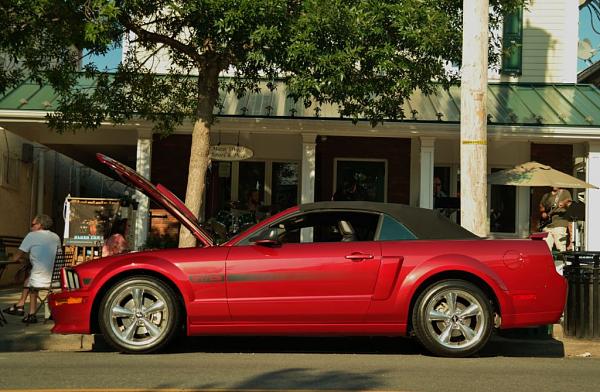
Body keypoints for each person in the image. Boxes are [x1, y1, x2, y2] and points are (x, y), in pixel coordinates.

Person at [2, 214, 61, 324]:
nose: (31, 227)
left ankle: (31, 314)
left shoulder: (32, 236)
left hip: (40, 280)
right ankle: (20, 305)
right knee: (29, 279)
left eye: (33, 225)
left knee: (32, 282)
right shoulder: (56, 237)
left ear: (40, 225)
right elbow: (44, 254)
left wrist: (17, 258)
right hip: (56, 280)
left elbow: (16, 257)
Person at [539, 187, 572, 252]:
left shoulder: (564, 192)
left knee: (560, 247)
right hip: (547, 225)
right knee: (546, 248)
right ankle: (548, 262)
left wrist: (564, 203)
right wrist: (543, 212)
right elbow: (541, 206)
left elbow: (569, 203)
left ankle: (563, 262)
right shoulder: (546, 195)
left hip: (559, 224)